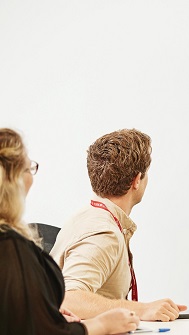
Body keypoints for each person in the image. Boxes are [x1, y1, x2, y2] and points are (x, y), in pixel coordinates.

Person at [0, 128, 140, 334]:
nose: (32, 176)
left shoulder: (82, 218)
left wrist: (43, 311)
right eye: (29, 168)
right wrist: (100, 325)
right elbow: (69, 300)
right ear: (13, 179)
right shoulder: (9, 247)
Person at [50, 129, 186, 321]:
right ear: (137, 180)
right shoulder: (104, 233)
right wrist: (142, 310)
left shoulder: (85, 216)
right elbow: (68, 299)